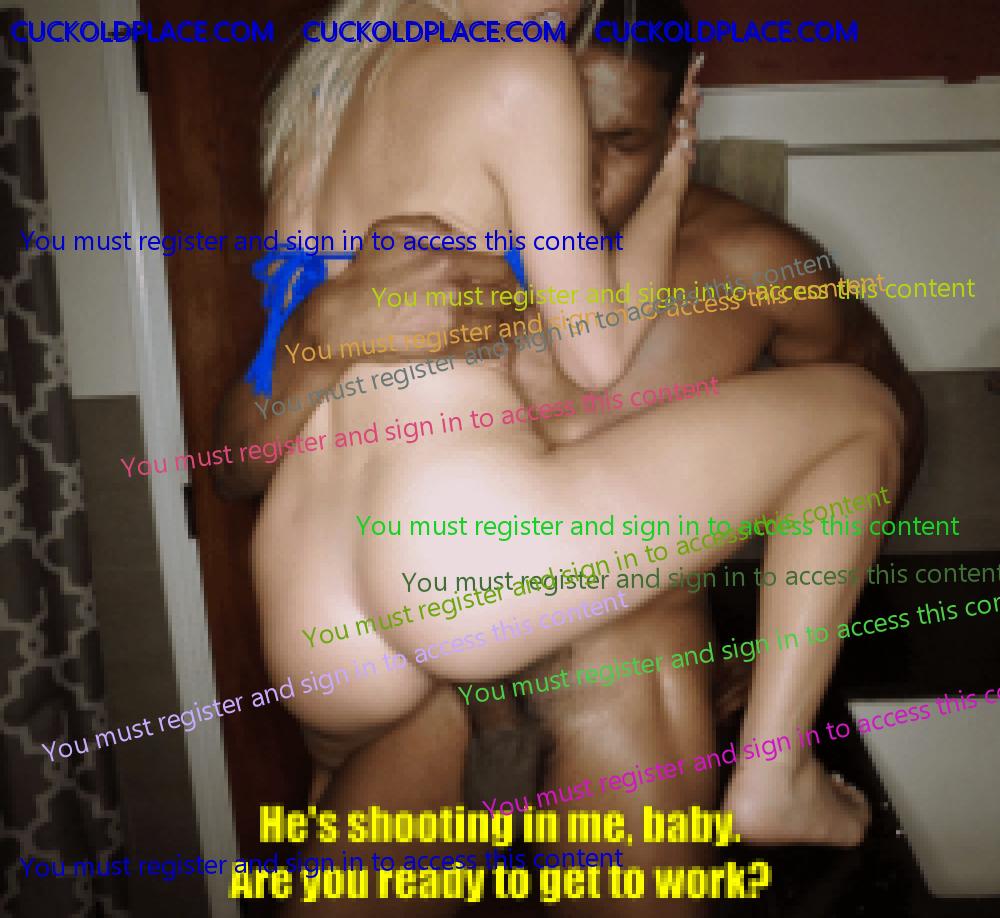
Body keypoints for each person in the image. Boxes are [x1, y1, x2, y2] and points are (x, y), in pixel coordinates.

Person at [215, 0, 915, 911]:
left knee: (631, 652)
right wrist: (316, 336)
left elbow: (889, 428)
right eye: (564, 133)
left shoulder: (752, 264)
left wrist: (790, 640)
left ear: (675, 124)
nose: (572, 173)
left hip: (611, 706)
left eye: (619, 141)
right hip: (429, 697)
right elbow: (230, 469)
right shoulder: (423, 249)